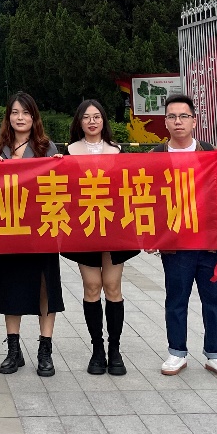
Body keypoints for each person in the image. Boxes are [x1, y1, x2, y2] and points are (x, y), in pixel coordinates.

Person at [153, 94, 217, 380]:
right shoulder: (156, 155)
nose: (178, 122)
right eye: (172, 117)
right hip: (175, 242)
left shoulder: (209, 152)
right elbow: (148, 199)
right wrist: (151, 236)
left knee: (215, 299)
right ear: (165, 122)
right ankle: (176, 351)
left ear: (194, 121)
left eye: (183, 116)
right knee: (176, 298)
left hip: (209, 240)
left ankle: (216, 354)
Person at [62, 99, 139, 376]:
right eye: (86, 117)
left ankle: (114, 349)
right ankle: (97, 349)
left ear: (103, 120)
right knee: (92, 286)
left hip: (113, 226)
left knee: (112, 286)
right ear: (79, 122)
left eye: (97, 116)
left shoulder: (117, 151)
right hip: (84, 226)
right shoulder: (69, 152)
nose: (92, 121)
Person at [0, 91, 64, 377]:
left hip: (42, 229)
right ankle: (13, 350)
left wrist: (60, 165)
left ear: (34, 117)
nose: (20, 118)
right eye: (15, 112)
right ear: (8, 117)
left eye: (25, 112)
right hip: (8, 229)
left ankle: (45, 350)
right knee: (11, 286)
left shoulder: (47, 147)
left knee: (46, 287)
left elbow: (59, 186)